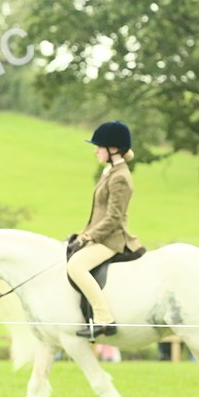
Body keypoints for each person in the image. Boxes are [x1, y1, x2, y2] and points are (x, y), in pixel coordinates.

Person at [67, 121, 143, 340]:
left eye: (99, 146)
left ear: (113, 149)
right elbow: (98, 212)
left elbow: (114, 217)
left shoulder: (120, 177)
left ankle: (104, 319)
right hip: (100, 235)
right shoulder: (110, 172)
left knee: (77, 266)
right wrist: (83, 233)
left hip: (112, 239)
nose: (95, 150)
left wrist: (91, 236)